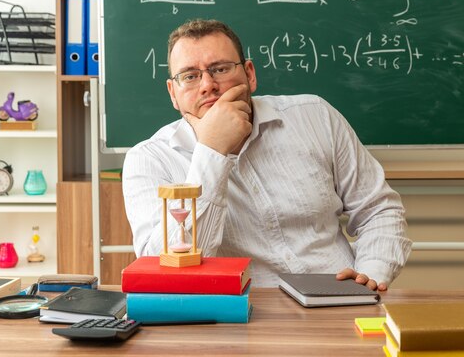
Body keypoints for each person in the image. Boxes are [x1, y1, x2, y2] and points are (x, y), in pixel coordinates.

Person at [122, 19, 412, 290]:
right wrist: (212, 151)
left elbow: (379, 209)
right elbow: (163, 270)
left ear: (249, 74)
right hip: (241, 315)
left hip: (339, 299)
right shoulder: (149, 160)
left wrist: (370, 275)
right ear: (173, 93)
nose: (208, 84)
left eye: (221, 69)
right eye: (190, 76)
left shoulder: (316, 116)